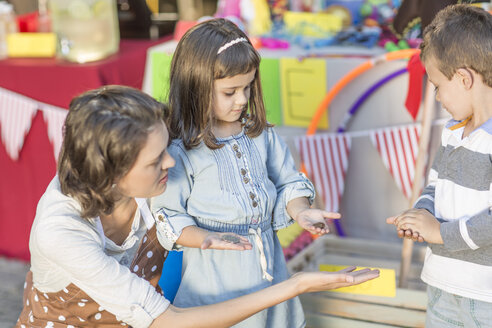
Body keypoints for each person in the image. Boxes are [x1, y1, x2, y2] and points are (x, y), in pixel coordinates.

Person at [16, 85, 379, 328]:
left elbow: (248, 201)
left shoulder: (159, 184)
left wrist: (294, 206)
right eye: (156, 160)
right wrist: (295, 285)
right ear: (112, 171)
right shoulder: (60, 231)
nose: (172, 164)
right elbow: (169, 322)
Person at [151, 18, 344, 328]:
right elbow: (168, 215)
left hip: (270, 273)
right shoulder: (179, 150)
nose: (242, 99)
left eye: (247, 87)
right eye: (230, 92)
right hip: (216, 283)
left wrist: (301, 211)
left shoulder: (260, 135)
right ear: (195, 86)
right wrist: (207, 238)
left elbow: (289, 182)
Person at [386, 4, 492, 327]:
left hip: (483, 297)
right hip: (441, 289)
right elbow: (435, 186)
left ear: (463, 79)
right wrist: (421, 215)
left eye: (437, 86)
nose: (436, 97)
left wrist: (439, 233)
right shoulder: (451, 131)